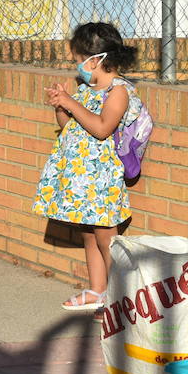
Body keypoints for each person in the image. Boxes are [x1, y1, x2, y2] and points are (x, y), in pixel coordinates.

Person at [35, 22, 143, 312]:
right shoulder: (86, 89)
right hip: (81, 175)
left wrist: (70, 102)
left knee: (106, 236)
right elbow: (69, 127)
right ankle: (98, 290)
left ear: (96, 60)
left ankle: (118, 298)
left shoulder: (118, 92)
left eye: (78, 60)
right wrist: (61, 106)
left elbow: (102, 128)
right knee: (88, 232)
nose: (77, 67)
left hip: (101, 174)